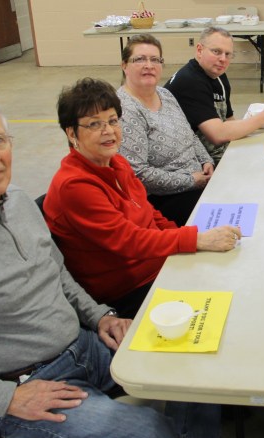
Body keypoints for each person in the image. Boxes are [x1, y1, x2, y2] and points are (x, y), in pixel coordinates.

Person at [0, 99, 182, 438]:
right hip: (31, 382)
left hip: (85, 347)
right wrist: (8, 398)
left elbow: (57, 272)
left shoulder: (17, 201)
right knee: (148, 433)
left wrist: (100, 316)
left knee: (186, 362)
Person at [44, 78, 241, 320]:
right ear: (72, 133)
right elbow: (129, 241)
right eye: (94, 124)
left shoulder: (116, 162)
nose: (108, 131)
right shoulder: (74, 186)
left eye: (113, 121)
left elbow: (150, 213)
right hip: (128, 289)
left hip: (156, 265)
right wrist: (195, 240)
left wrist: (185, 244)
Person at [118, 34, 214, 227]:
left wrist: (206, 160)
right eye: (140, 59)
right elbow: (139, 174)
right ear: (124, 66)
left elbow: (190, 135)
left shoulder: (165, 94)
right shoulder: (124, 109)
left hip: (197, 179)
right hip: (164, 199)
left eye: (155, 59)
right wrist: (190, 181)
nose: (149, 65)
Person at [165, 27, 264, 164]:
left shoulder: (218, 76)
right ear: (199, 50)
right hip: (192, 161)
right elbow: (218, 135)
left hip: (213, 152)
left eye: (228, 54)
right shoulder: (190, 80)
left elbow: (229, 121)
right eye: (216, 52)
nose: (223, 59)